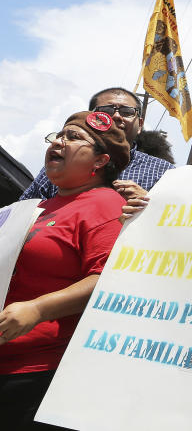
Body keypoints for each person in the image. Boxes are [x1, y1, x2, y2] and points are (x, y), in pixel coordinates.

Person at [0, 111, 130, 429]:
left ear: (100, 161)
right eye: (58, 135)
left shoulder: (105, 204)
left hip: (39, 373)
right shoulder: (34, 208)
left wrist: (38, 309)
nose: (59, 141)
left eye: (73, 137)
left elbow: (107, 279)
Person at [19, 87, 173, 207]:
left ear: (139, 125)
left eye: (127, 112)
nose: (116, 116)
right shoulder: (60, 164)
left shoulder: (165, 172)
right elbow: (22, 212)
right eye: (106, 111)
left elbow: (178, 222)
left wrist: (150, 203)